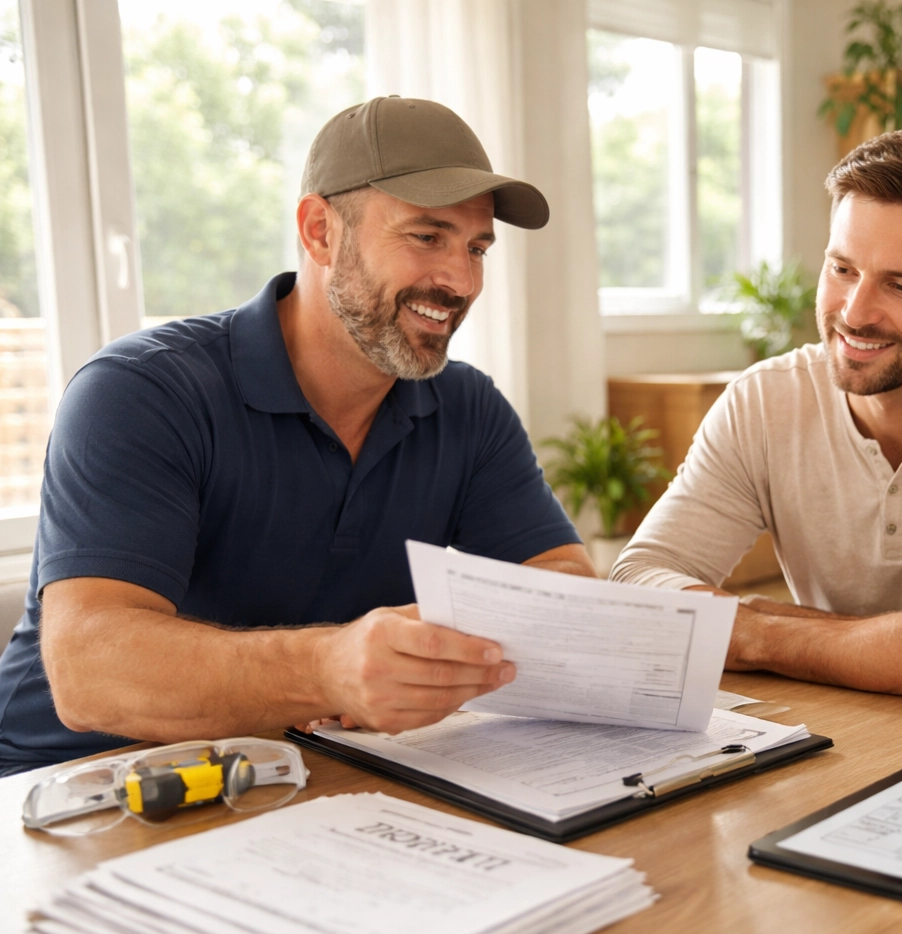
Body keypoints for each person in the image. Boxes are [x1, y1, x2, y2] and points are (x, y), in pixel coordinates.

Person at [0, 96, 595, 775]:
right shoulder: (142, 392)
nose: (460, 280)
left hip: (290, 776)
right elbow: (89, 673)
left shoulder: (467, 407)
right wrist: (330, 668)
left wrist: (438, 646)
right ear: (319, 231)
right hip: (69, 794)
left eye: (476, 247)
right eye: (426, 237)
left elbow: (563, 585)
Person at [610, 129, 902, 702]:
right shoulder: (764, 400)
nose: (855, 313)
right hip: (838, 725)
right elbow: (638, 586)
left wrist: (760, 634)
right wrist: (884, 646)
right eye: (842, 269)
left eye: (901, 284)